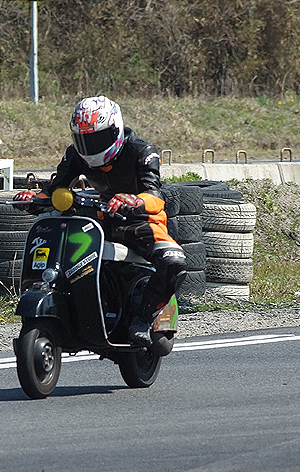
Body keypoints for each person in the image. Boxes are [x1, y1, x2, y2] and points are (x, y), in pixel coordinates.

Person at [14, 95, 186, 351]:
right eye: (84, 140)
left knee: (174, 262)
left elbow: (156, 195)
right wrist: (33, 200)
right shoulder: (75, 155)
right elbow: (56, 189)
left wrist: (134, 201)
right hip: (102, 217)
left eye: (97, 139)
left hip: (141, 222)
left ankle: (143, 319)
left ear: (116, 130)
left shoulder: (142, 151)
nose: (90, 147)